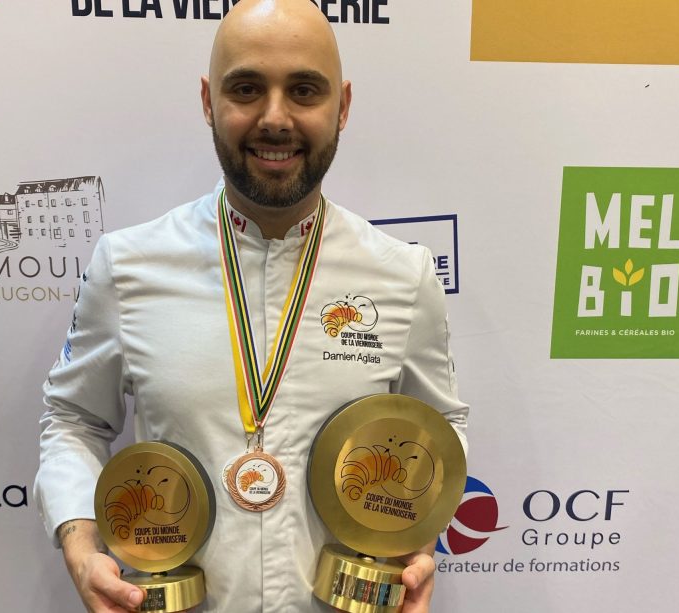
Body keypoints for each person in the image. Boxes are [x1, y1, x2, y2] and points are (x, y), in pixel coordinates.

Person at [34, 0, 468, 611]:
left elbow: (441, 427)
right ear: (209, 101)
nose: (275, 118)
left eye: (304, 90)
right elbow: (74, 420)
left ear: (341, 106)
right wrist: (82, 547)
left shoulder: (402, 273)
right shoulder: (128, 265)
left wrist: (419, 536)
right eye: (246, 88)